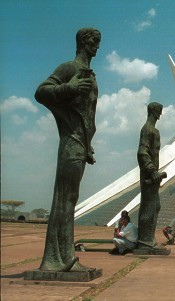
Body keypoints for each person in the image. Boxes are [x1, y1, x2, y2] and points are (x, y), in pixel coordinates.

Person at [34, 28, 101, 272]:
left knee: (71, 199)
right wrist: (69, 89)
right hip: (70, 142)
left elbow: (87, 116)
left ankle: (65, 257)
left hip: (81, 144)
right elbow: (41, 92)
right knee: (64, 198)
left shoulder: (92, 76)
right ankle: (57, 260)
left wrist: (89, 145)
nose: (97, 47)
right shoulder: (69, 68)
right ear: (83, 42)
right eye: (94, 42)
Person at [137, 102, 167, 248]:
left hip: (152, 176)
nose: (160, 114)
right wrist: (152, 170)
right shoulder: (148, 130)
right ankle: (145, 241)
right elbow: (142, 152)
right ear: (154, 111)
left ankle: (149, 239)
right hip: (149, 176)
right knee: (149, 207)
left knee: (155, 206)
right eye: (159, 111)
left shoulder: (153, 130)